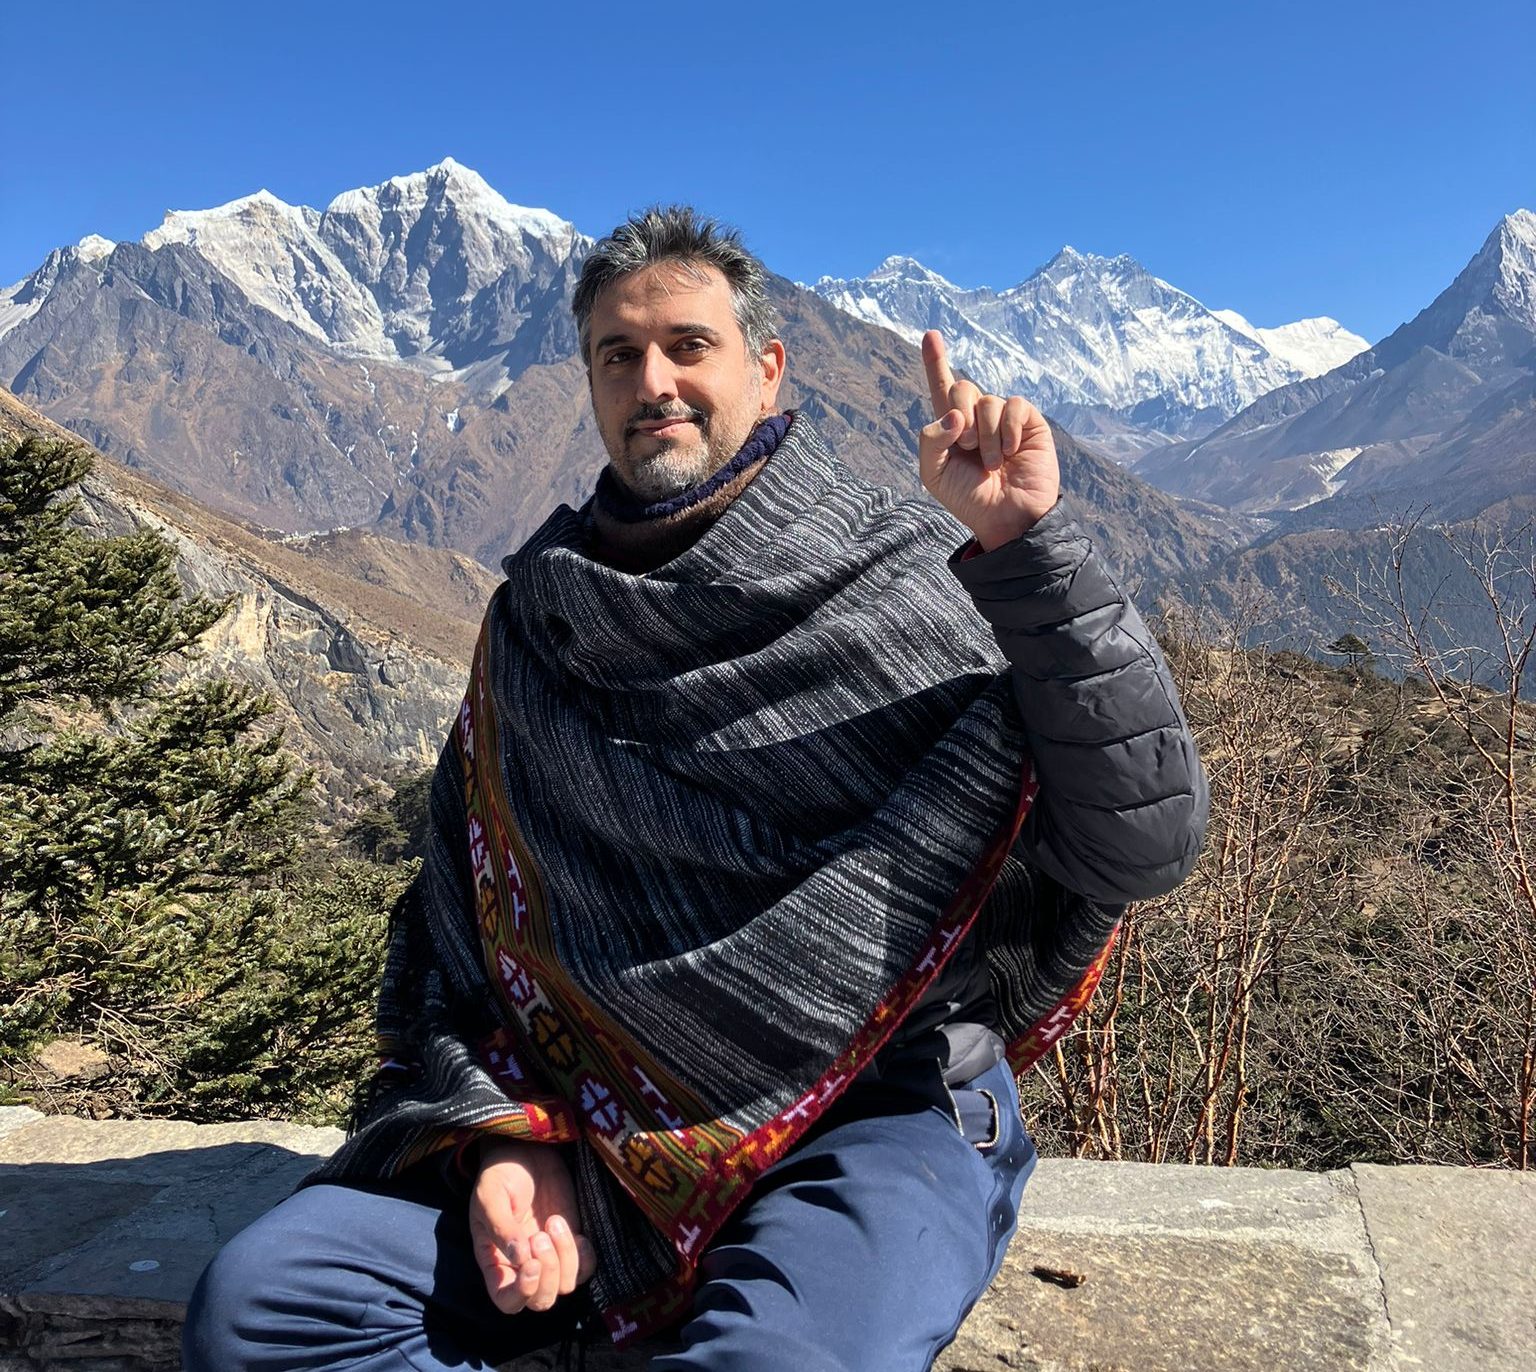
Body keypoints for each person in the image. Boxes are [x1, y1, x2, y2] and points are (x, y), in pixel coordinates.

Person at [183, 207, 1207, 1372]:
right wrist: (502, 1138)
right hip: (592, 1129)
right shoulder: (539, 626)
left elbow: (1144, 844)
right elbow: (451, 933)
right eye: (618, 355)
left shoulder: (904, 585)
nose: (653, 381)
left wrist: (1031, 553)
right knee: (264, 1308)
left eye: (688, 346)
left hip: (877, 1109)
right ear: (589, 383)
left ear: (767, 368)